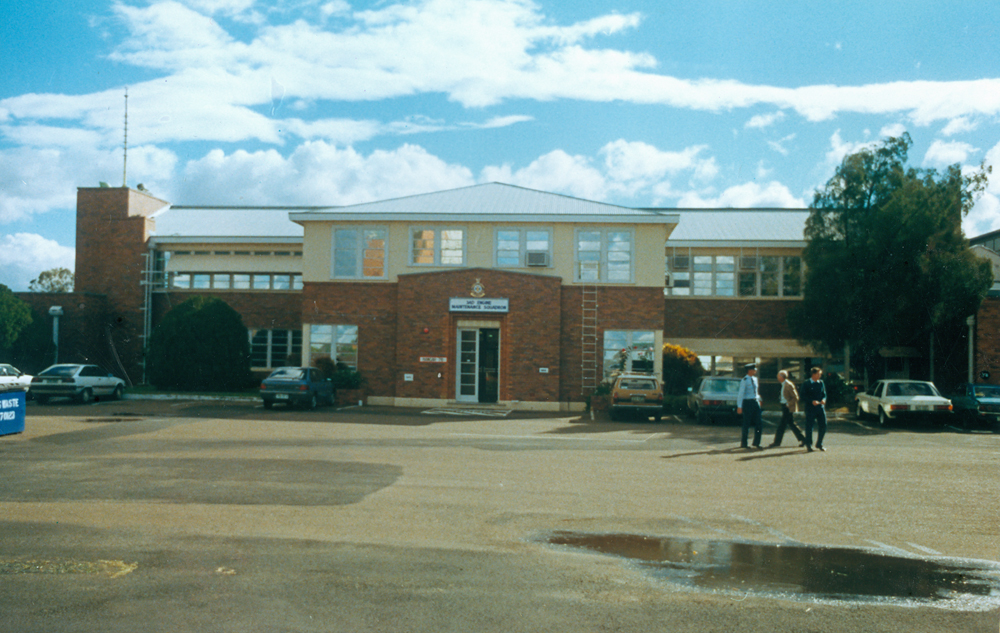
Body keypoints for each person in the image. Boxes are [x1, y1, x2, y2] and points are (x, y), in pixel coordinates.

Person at [769, 370, 806, 448]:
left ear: (782, 376)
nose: (777, 377)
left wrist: (788, 404)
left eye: (778, 375)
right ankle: (804, 439)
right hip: (785, 406)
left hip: (788, 408)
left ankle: (777, 442)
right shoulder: (783, 384)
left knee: (782, 425)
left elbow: (796, 397)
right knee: (790, 424)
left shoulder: (788, 385)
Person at [800, 366, 828, 452]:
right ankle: (809, 444)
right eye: (818, 374)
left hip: (820, 408)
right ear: (813, 374)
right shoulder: (807, 383)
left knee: (823, 425)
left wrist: (823, 399)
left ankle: (819, 443)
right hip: (810, 408)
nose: (820, 376)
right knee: (809, 427)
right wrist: (811, 401)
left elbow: (824, 394)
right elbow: (802, 396)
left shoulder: (821, 383)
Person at [736, 363, 763, 449]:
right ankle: (744, 443)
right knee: (746, 423)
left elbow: (756, 392)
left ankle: (756, 442)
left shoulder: (755, 379)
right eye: (753, 369)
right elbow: (741, 394)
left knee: (759, 423)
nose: (755, 370)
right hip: (747, 403)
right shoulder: (744, 380)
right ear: (749, 370)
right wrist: (739, 406)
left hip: (755, 402)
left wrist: (759, 400)